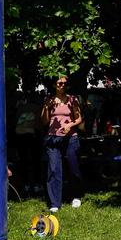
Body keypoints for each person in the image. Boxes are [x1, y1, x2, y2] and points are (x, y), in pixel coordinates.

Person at [41, 76, 84, 212]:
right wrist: (46, 108)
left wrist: (69, 125)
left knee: (73, 168)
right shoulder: (49, 100)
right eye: (60, 83)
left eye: (65, 83)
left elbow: (79, 118)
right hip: (53, 138)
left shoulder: (72, 99)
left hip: (70, 138)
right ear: (54, 85)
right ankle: (55, 203)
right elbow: (44, 121)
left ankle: (76, 195)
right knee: (54, 169)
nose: (62, 85)